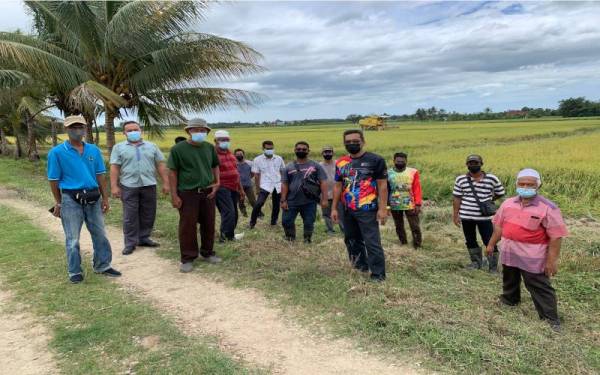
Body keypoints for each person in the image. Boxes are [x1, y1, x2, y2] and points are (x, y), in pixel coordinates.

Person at [486, 169, 568, 331]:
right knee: (509, 277)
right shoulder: (507, 203)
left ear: (538, 185)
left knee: (538, 284)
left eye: (530, 185)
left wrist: (551, 261)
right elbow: (499, 227)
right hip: (509, 250)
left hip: (533, 256)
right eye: (522, 184)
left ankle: (550, 318)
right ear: (516, 184)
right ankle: (510, 299)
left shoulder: (548, 208)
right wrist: (491, 244)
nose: (525, 187)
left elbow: (556, 236)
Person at [47, 115, 121, 283]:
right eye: (73, 127)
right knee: (72, 239)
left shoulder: (93, 150)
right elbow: (53, 180)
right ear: (66, 129)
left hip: (94, 197)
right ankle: (74, 272)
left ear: (85, 128)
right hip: (70, 198)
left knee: (100, 234)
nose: (77, 130)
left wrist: (105, 198)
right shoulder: (57, 152)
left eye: (80, 126)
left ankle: (103, 265)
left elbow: (100, 175)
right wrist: (59, 202)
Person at [332, 129, 388, 282]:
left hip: (367, 209)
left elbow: (383, 186)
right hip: (347, 209)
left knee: (372, 242)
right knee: (351, 239)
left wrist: (383, 209)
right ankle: (360, 266)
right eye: (348, 142)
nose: (352, 144)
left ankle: (378, 274)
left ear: (363, 141)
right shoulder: (341, 162)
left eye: (355, 141)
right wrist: (334, 208)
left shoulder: (376, 160)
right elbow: (337, 186)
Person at [167, 118, 221, 273]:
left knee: (209, 223)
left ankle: (208, 253)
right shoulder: (178, 149)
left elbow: (215, 165)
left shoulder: (209, 148)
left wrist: (217, 182)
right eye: (196, 130)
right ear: (188, 131)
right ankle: (188, 258)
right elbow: (172, 172)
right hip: (188, 193)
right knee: (187, 226)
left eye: (203, 130)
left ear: (207, 132)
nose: (199, 132)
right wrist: (174, 195)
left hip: (208, 191)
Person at [110, 121, 170, 255]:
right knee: (130, 216)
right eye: (129, 130)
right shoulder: (118, 148)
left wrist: (166, 183)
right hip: (128, 185)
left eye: (135, 129)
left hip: (149, 184)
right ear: (124, 133)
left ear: (141, 130)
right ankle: (130, 243)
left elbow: (160, 165)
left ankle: (144, 238)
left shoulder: (152, 146)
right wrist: (114, 186)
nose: (133, 132)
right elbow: (114, 167)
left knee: (148, 213)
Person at [453, 154, 505, 272]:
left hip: (485, 218)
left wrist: (489, 200)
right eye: (470, 163)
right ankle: (476, 263)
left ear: (481, 164)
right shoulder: (460, 179)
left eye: (476, 163)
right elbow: (457, 198)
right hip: (466, 217)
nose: (473, 165)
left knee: (489, 240)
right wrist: (455, 215)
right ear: (467, 165)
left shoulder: (492, 178)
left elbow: (500, 192)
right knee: (470, 240)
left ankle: (492, 267)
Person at [280, 141, 328, 243]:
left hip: (309, 201)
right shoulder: (288, 167)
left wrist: (324, 199)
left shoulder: (315, 165)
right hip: (291, 201)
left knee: (309, 222)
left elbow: (323, 182)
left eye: (304, 149)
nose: (301, 151)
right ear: (294, 150)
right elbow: (284, 184)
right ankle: (290, 238)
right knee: (286, 221)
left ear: (308, 151)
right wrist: (283, 200)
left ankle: (307, 239)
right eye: (298, 149)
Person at [213, 130, 245, 242]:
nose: (225, 142)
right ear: (215, 141)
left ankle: (230, 235)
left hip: (233, 187)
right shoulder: (212, 154)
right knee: (228, 212)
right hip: (221, 187)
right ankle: (224, 237)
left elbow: (236, 172)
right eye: (222, 140)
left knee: (234, 213)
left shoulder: (230, 153)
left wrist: (241, 189)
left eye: (227, 140)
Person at [387, 152, 422, 249]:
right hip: (394, 203)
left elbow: (417, 188)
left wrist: (418, 204)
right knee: (398, 226)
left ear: (406, 161)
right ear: (394, 161)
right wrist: (387, 206)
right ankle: (403, 243)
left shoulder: (413, 172)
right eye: (398, 161)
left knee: (415, 226)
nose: (400, 163)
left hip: (411, 203)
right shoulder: (388, 173)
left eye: (402, 161)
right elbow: (386, 190)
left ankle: (417, 245)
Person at [249, 140, 285, 229]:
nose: (270, 150)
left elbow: (283, 172)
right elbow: (256, 175)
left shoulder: (279, 158)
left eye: (271, 148)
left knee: (276, 205)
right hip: (265, 185)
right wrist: (257, 189)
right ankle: (252, 223)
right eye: (267, 148)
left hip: (277, 184)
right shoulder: (257, 160)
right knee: (259, 204)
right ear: (263, 149)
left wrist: (284, 185)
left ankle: (273, 222)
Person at [320, 146, 344, 234]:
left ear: (333, 153)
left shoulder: (338, 164)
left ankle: (344, 229)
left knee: (341, 213)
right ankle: (330, 229)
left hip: (338, 193)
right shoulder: (319, 166)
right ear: (322, 154)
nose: (327, 154)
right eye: (325, 152)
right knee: (326, 214)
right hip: (325, 194)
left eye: (329, 152)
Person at [234, 148, 258, 218]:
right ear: (234, 155)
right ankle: (244, 215)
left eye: (240, 154)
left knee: (253, 201)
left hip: (248, 185)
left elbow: (253, 173)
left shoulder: (250, 163)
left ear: (243, 155)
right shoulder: (234, 164)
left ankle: (259, 214)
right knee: (241, 202)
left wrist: (247, 178)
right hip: (238, 186)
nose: (239, 155)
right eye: (237, 154)